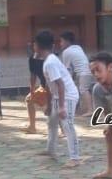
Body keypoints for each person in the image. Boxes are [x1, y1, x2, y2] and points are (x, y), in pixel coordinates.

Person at [34, 31, 81, 168]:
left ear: (38, 46)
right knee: (52, 122)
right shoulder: (48, 61)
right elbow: (50, 86)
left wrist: (61, 107)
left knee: (67, 125)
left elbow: (60, 84)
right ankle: (51, 149)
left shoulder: (50, 63)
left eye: (34, 45)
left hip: (68, 96)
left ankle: (75, 158)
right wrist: (49, 105)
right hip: (58, 97)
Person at [60, 31, 94, 116]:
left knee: (83, 90)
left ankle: (90, 110)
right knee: (79, 90)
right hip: (88, 72)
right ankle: (77, 109)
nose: (60, 44)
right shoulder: (78, 47)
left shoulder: (66, 52)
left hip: (83, 73)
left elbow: (67, 70)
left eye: (61, 41)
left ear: (67, 41)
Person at [22, 38, 47, 134]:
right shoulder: (32, 59)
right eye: (33, 46)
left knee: (53, 107)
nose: (33, 47)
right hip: (44, 86)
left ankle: (63, 130)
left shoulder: (49, 58)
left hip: (53, 86)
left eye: (35, 45)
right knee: (29, 99)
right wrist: (32, 91)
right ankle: (32, 127)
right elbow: (33, 76)